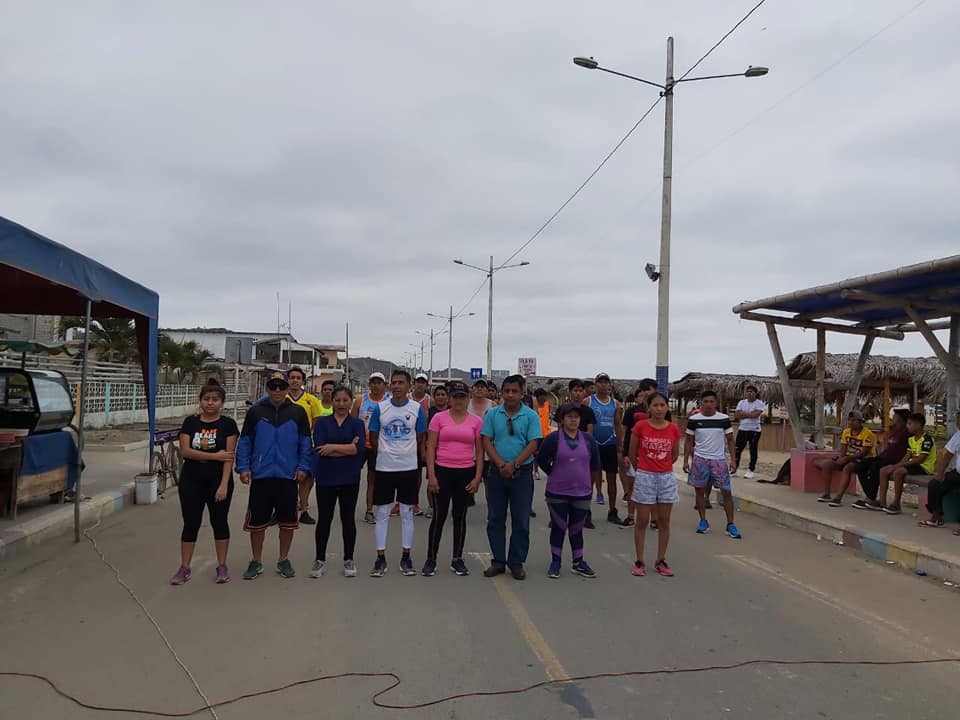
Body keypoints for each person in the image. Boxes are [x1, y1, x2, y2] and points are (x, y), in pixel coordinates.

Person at [236, 371, 313, 580]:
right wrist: (243, 467)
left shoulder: (297, 412)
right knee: (257, 523)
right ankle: (256, 561)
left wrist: (303, 467)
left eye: (281, 386)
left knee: (287, 523)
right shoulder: (255, 412)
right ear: (267, 388)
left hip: (288, 476)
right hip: (261, 476)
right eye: (273, 386)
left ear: (287, 388)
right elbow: (245, 441)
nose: (277, 390)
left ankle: (283, 559)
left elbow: (306, 443)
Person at [170, 379, 239, 586]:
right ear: (200, 401)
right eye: (206, 399)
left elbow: (229, 457)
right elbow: (185, 451)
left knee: (220, 522)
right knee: (191, 523)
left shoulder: (228, 425)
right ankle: (184, 567)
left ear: (222, 403)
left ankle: (222, 565)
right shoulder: (190, 423)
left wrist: (224, 484)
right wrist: (214, 456)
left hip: (218, 480)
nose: (210, 403)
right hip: (191, 480)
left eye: (215, 399)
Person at [481, 374, 542, 580]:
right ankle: (498, 561)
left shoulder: (530, 416)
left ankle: (516, 562)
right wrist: (500, 464)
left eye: (514, 391)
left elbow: (533, 443)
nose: (510, 395)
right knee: (495, 518)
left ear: (522, 393)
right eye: (506, 391)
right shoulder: (493, 414)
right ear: (501, 392)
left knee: (521, 520)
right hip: (496, 473)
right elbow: (486, 440)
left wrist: (514, 464)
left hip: (521, 474)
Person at [368, 369, 428, 577]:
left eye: (401, 382)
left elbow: (420, 437)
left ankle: (406, 557)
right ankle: (380, 558)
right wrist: (387, 453)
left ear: (408, 385)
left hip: (408, 468)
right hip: (385, 468)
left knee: (406, 514)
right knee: (382, 513)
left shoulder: (417, 409)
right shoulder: (380, 408)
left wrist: (405, 453)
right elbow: (373, 436)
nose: (396, 386)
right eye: (393, 382)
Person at [423, 381, 483, 576]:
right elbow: (431, 447)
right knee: (439, 516)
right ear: (449, 399)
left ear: (468, 399)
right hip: (442, 471)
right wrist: (432, 476)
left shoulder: (476, 421)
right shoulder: (438, 418)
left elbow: (479, 452)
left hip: (465, 472)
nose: (458, 400)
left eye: (462, 397)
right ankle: (431, 558)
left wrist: (477, 478)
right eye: (455, 397)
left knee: (460, 516)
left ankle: (457, 558)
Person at [536, 403, 599, 579]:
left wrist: (590, 486)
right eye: (569, 417)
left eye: (576, 417)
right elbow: (541, 459)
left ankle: (578, 562)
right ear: (562, 419)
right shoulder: (553, 439)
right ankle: (555, 561)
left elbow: (595, 465)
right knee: (559, 527)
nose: (573, 420)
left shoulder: (588, 440)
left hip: (582, 493)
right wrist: (554, 473)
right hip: (557, 492)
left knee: (577, 529)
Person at [310, 386, 366, 578]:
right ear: (332, 401)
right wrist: (347, 447)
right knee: (324, 519)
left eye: (345, 400)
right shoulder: (322, 423)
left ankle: (349, 559)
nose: (341, 404)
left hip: (350, 478)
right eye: (338, 400)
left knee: (348, 519)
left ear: (351, 402)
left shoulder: (357, 424)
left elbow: (357, 450)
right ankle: (319, 559)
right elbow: (320, 449)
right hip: (326, 477)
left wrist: (332, 447)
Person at [628, 392, 682, 576]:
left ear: (667, 407)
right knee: (642, 520)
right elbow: (632, 452)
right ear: (649, 407)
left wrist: (661, 467)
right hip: (645, 477)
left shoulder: (673, 428)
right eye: (655, 405)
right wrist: (643, 469)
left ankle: (661, 559)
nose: (659, 409)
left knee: (663, 521)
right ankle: (639, 561)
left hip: (665, 477)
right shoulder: (640, 426)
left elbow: (674, 455)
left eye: (662, 405)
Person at [685, 390, 741, 539]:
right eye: (706, 401)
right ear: (701, 403)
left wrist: (733, 460)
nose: (708, 404)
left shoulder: (723, 419)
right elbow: (689, 441)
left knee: (726, 492)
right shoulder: (694, 420)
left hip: (719, 460)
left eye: (711, 401)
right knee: (700, 491)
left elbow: (730, 439)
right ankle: (703, 521)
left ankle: (730, 524)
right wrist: (686, 460)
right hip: (700, 460)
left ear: (716, 403)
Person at [589, 373, 629, 526]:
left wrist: (620, 445)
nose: (603, 385)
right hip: (594, 445)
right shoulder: (589, 401)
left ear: (609, 385)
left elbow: (618, 425)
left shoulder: (615, 403)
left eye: (606, 382)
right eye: (600, 382)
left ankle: (612, 510)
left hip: (610, 445)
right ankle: (585, 511)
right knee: (590, 478)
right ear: (595, 384)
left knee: (612, 479)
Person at [285, 366, 324, 525]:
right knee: (286, 478)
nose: (295, 380)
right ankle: (284, 509)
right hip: (285, 445)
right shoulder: (282, 398)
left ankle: (304, 510)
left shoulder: (311, 400)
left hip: (305, 445)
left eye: (298, 378)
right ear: (288, 380)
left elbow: (316, 422)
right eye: (292, 377)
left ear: (303, 381)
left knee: (305, 479)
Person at [620, 378, 660, 527]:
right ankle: (631, 516)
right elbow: (626, 434)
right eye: (644, 390)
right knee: (632, 486)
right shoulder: (632, 411)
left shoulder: (662, 412)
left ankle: (654, 518)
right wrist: (625, 454)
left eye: (649, 390)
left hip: (654, 456)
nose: (646, 393)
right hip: (634, 454)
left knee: (654, 488)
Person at [877, 412, 935, 515]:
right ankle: (882, 502)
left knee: (898, 472)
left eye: (909, 424)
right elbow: (907, 456)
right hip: (913, 465)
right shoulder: (911, 439)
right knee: (883, 470)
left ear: (919, 425)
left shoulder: (927, 439)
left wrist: (898, 466)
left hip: (924, 468)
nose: (907, 426)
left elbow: (920, 459)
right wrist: (896, 465)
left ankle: (896, 504)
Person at [814, 411, 875, 508]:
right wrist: (841, 459)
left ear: (860, 422)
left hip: (863, 460)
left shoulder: (868, 434)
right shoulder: (846, 432)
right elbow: (843, 449)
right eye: (849, 420)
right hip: (848, 457)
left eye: (854, 420)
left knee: (848, 468)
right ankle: (826, 494)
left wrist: (846, 459)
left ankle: (838, 498)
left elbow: (863, 453)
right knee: (827, 465)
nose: (851, 422)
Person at [851, 409, 909, 509]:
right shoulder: (893, 430)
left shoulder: (907, 432)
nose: (892, 418)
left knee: (875, 468)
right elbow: (885, 444)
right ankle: (870, 496)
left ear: (900, 419)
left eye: (895, 416)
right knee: (860, 465)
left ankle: (871, 498)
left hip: (894, 460)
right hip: (883, 457)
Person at [352, 371, 387, 525]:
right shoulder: (360, 400)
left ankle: (369, 510)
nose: (376, 385)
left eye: (379, 382)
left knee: (372, 479)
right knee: (352, 478)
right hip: (360, 446)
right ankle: (348, 507)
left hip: (377, 446)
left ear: (384, 385)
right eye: (373, 382)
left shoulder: (388, 402)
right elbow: (352, 422)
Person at [920, 411, 960, 530]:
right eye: (958, 421)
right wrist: (940, 473)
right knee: (934, 484)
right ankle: (936, 517)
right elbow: (947, 456)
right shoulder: (958, 436)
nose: (958, 424)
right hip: (958, 474)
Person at [411, 373, 433, 517]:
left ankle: (431, 505)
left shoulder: (430, 401)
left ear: (426, 385)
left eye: (423, 382)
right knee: (412, 474)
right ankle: (411, 502)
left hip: (426, 441)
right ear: (414, 384)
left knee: (428, 474)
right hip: (409, 442)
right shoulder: (407, 398)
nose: (420, 384)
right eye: (418, 382)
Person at [733, 385, 765, 479]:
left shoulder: (759, 403)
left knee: (753, 450)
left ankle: (751, 470)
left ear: (755, 393)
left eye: (751, 391)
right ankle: (734, 469)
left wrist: (743, 413)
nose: (749, 393)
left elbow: (756, 415)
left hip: (754, 430)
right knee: (737, 450)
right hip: (742, 429)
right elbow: (737, 415)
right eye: (747, 391)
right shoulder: (741, 402)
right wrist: (749, 414)